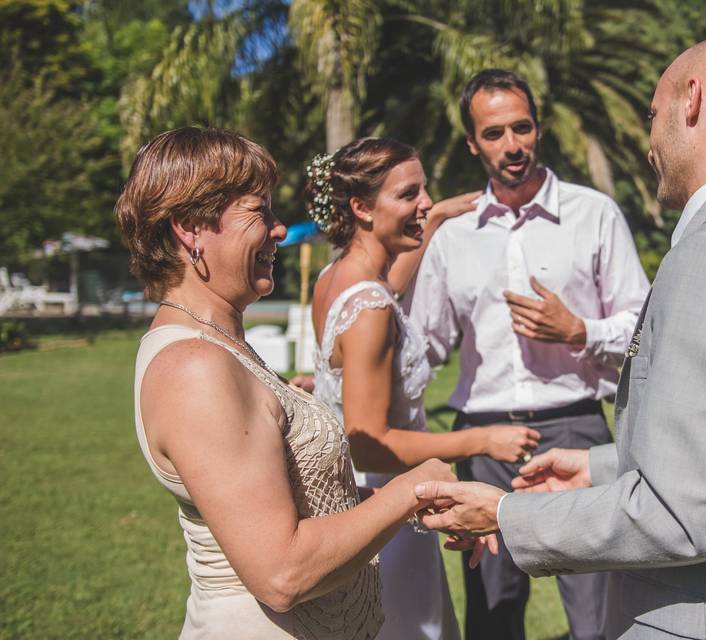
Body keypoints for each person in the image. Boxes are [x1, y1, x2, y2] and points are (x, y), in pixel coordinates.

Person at [414, 34, 706, 639]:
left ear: (690, 101)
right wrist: (599, 466)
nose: (648, 143)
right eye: (492, 133)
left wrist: (506, 512)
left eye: (652, 114)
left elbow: (676, 514)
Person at [116, 126, 456, 639]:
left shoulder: (219, 342)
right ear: (190, 228)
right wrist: (412, 487)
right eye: (259, 212)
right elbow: (282, 572)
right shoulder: (194, 366)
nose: (278, 230)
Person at [406, 69, 651, 640]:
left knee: (599, 616)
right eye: (494, 133)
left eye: (522, 128)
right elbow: (428, 345)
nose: (511, 145)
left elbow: (645, 324)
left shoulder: (595, 214)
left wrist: (580, 330)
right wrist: (341, 375)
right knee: (492, 617)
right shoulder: (454, 233)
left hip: (578, 433)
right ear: (473, 143)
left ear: (538, 129)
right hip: (482, 439)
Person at [305, 137, 541, 640]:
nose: (426, 201)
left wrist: (432, 221)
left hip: (354, 505)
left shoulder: (335, 279)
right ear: (361, 208)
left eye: (426, 190)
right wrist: (482, 440)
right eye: (410, 194)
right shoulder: (368, 308)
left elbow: (388, 287)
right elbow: (366, 439)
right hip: (387, 513)